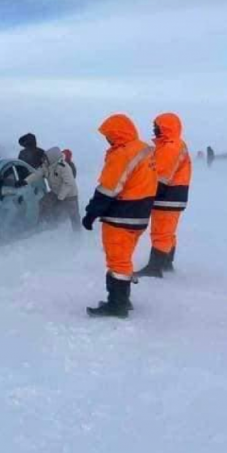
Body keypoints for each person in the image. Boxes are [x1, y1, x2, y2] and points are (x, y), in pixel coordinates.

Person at [81, 114, 157, 318]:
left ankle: (117, 305)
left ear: (117, 134)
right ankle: (123, 300)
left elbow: (108, 189)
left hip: (121, 216)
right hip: (139, 216)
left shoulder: (123, 154)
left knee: (117, 262)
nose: (107, 140)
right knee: (124, 259)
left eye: (108, 135)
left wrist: (90, 214)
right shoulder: (144, 148)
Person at [136, 113, 191, 278]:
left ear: (165, 127)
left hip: (168, 197)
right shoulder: (172, 144)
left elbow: (160, 175)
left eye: (156, 125)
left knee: (161, 233)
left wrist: (145, 195)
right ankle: (166, 264)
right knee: (168, 232)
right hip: (173, 196)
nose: (154, 128)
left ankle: (155, 268)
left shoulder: (170, 146)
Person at [20, 146, 80, 231]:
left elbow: (68, 184)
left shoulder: (63, 167)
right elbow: (37, 174)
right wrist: (25, 181)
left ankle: (77, 234)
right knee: (43, 203)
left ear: (52, 158)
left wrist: (60, 198)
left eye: (45, 158)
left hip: (70, 194)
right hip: (55, 192)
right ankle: (46, 224)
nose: (43, 160)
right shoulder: (46, 166)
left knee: (74, 215)